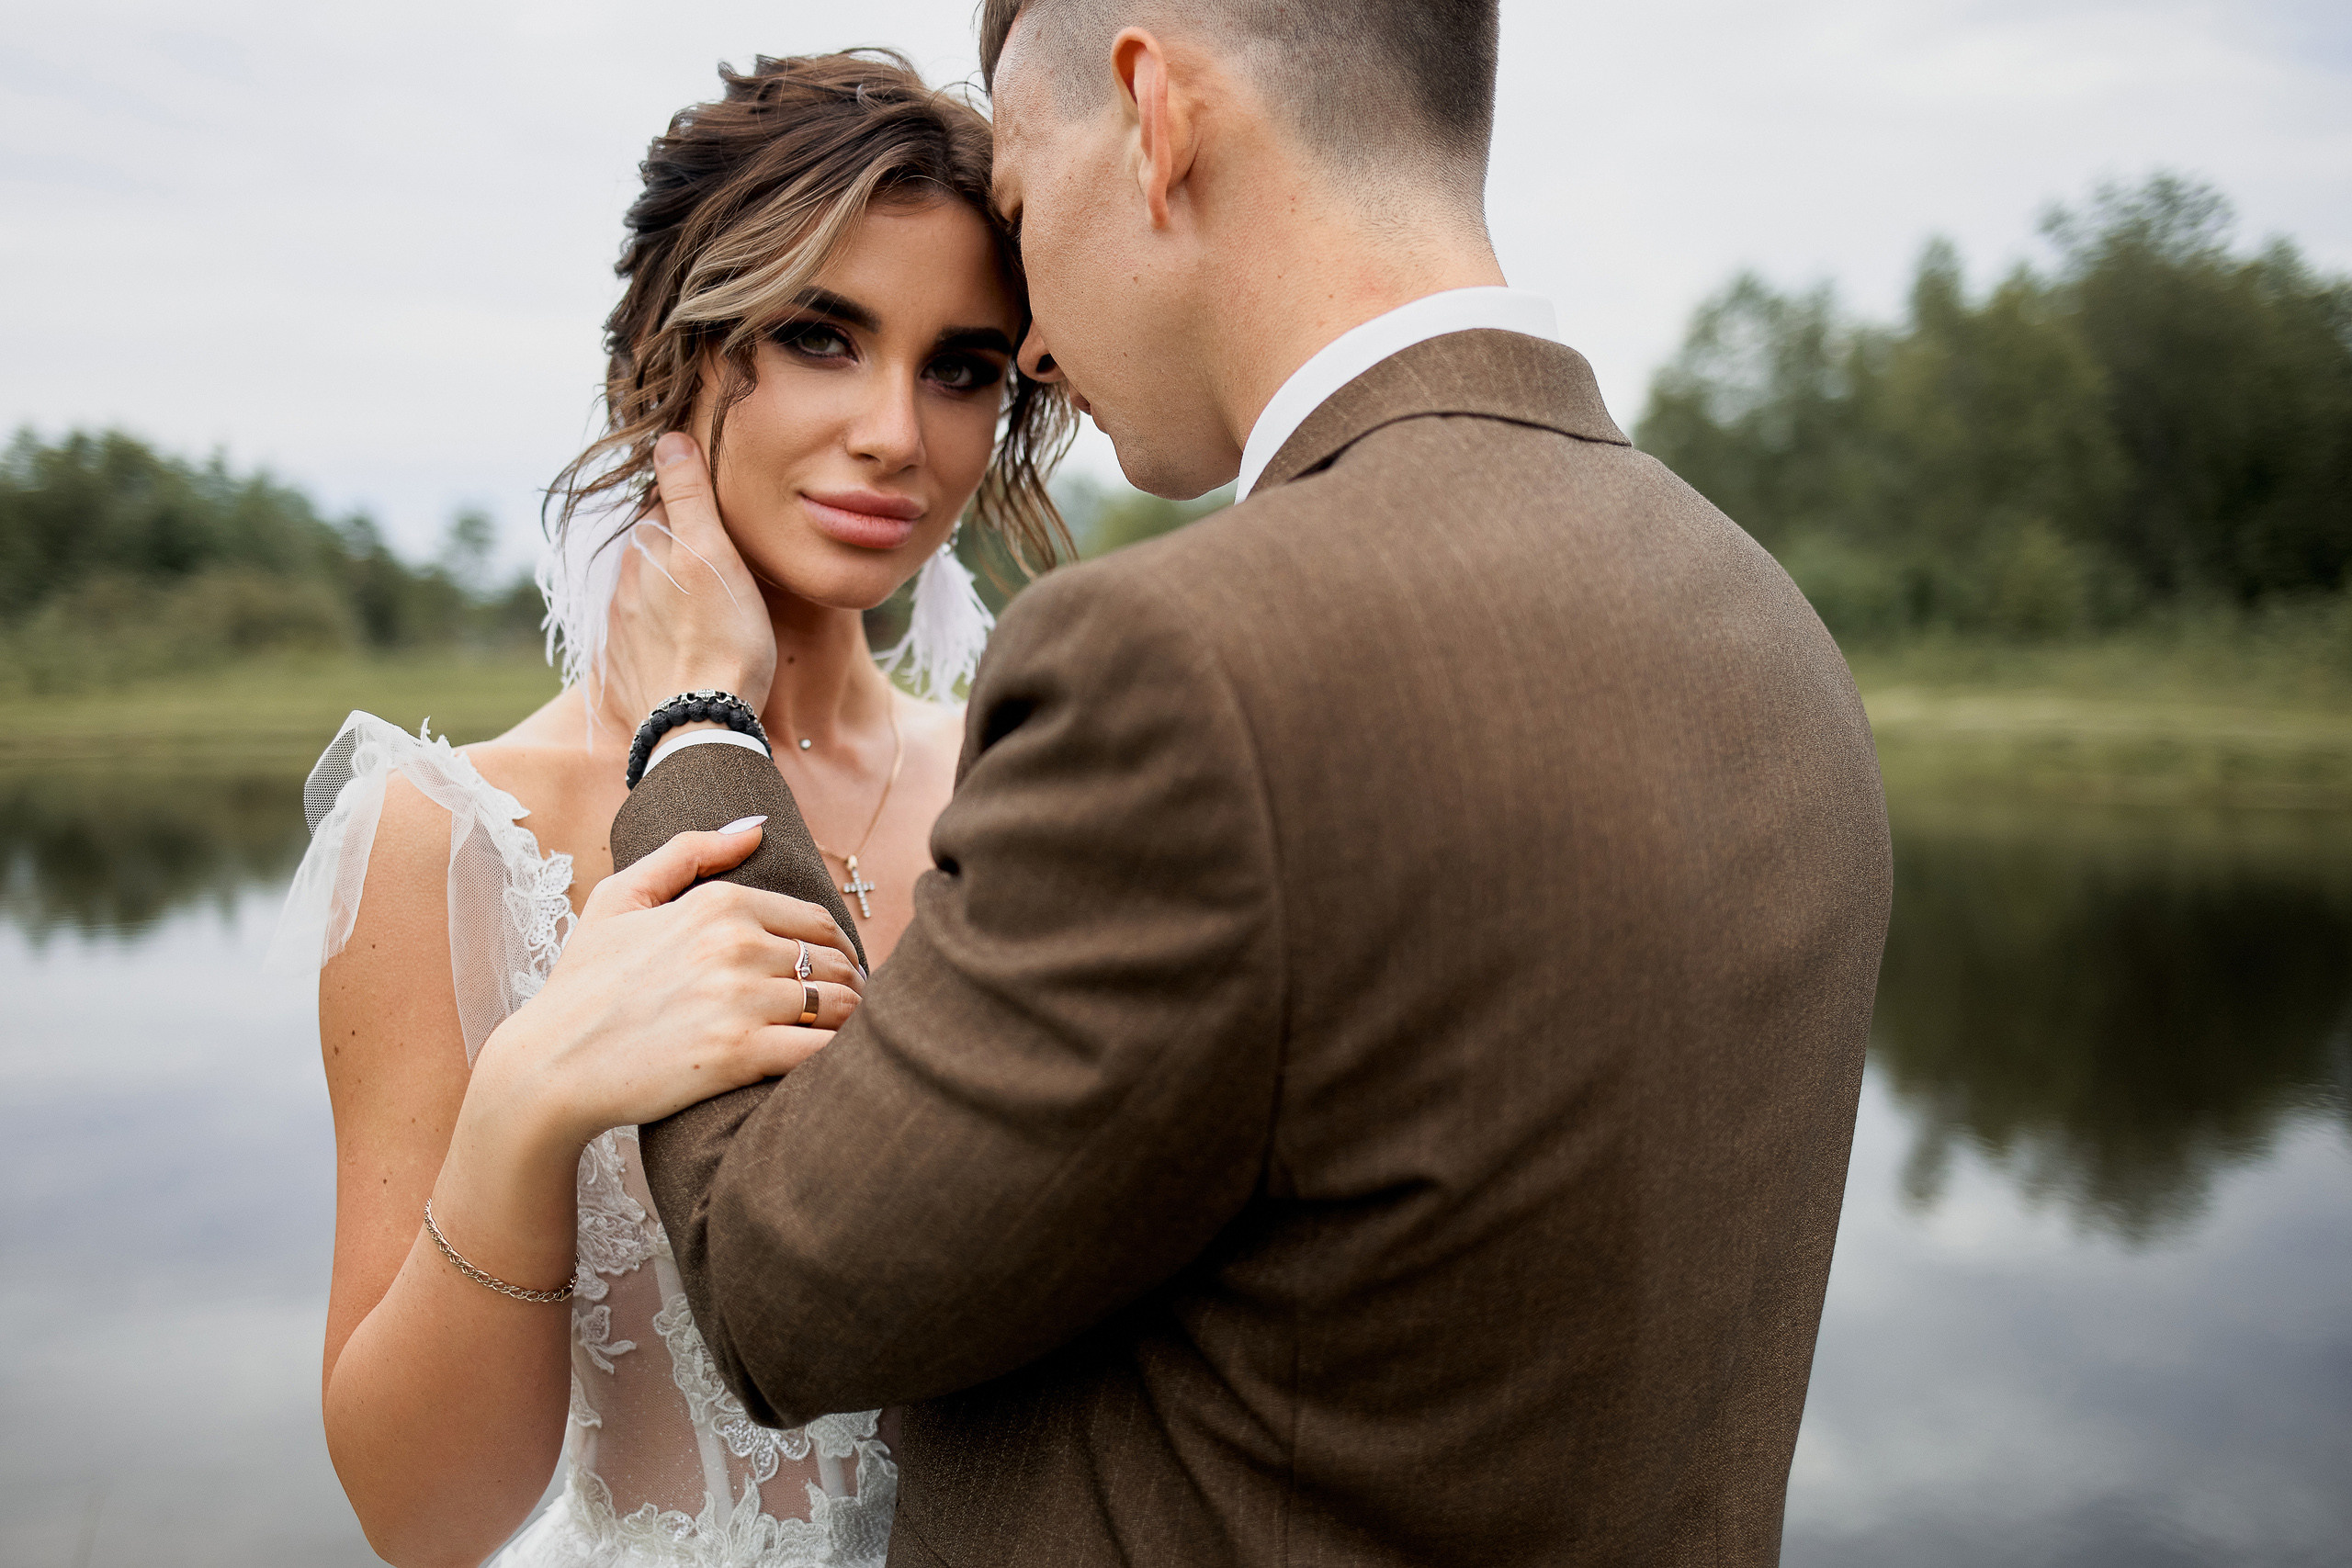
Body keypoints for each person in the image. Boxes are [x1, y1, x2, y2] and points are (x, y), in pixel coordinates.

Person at [520, 1, 1900, 1563]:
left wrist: (694, 729)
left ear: (1154, 113)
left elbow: (782, 1283)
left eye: (1028, 219)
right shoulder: (1772, 631)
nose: (1034, 344)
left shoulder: (1190, 669)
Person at [270, 51, 1071, 1568]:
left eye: (961, 364)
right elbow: (422, 1522)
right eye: (822, 337)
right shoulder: (445, 837)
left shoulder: (1033, 780)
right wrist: (526, 1108)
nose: (897, 433)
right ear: (672, 353)